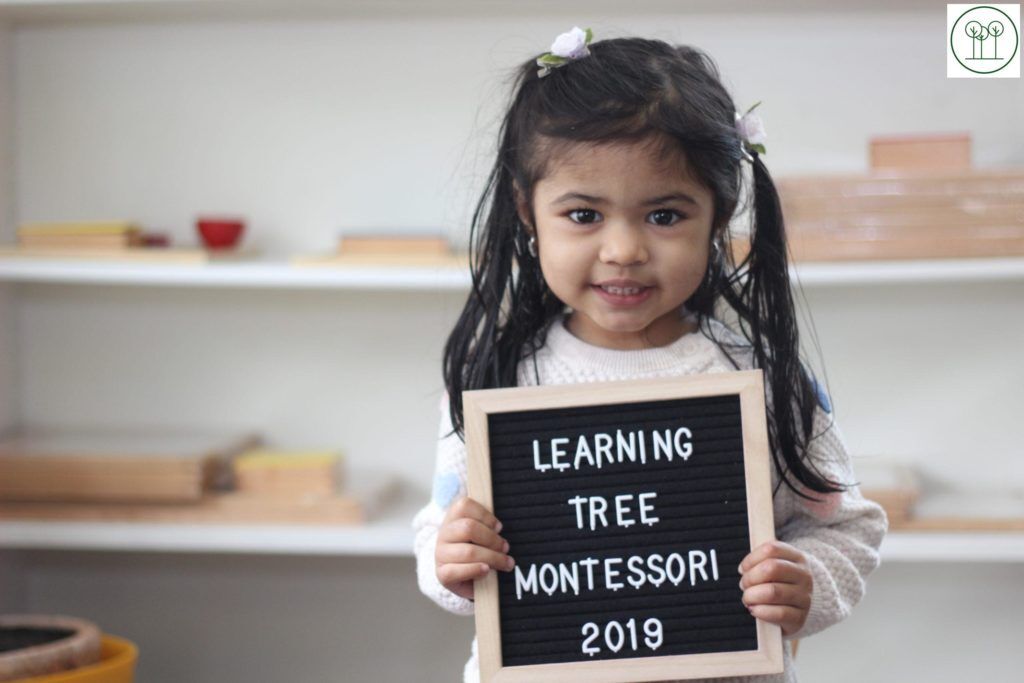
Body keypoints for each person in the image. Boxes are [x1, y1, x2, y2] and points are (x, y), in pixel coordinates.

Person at [412, 27, 887, 683]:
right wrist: (451, 561)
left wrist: (806, 578)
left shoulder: (762, 380)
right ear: (527, 211)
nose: (624, 251)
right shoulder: (496, 380)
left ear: (718, 216)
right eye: (584, 215)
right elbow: (438, 533)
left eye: (664, 216)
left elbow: (847, 527)